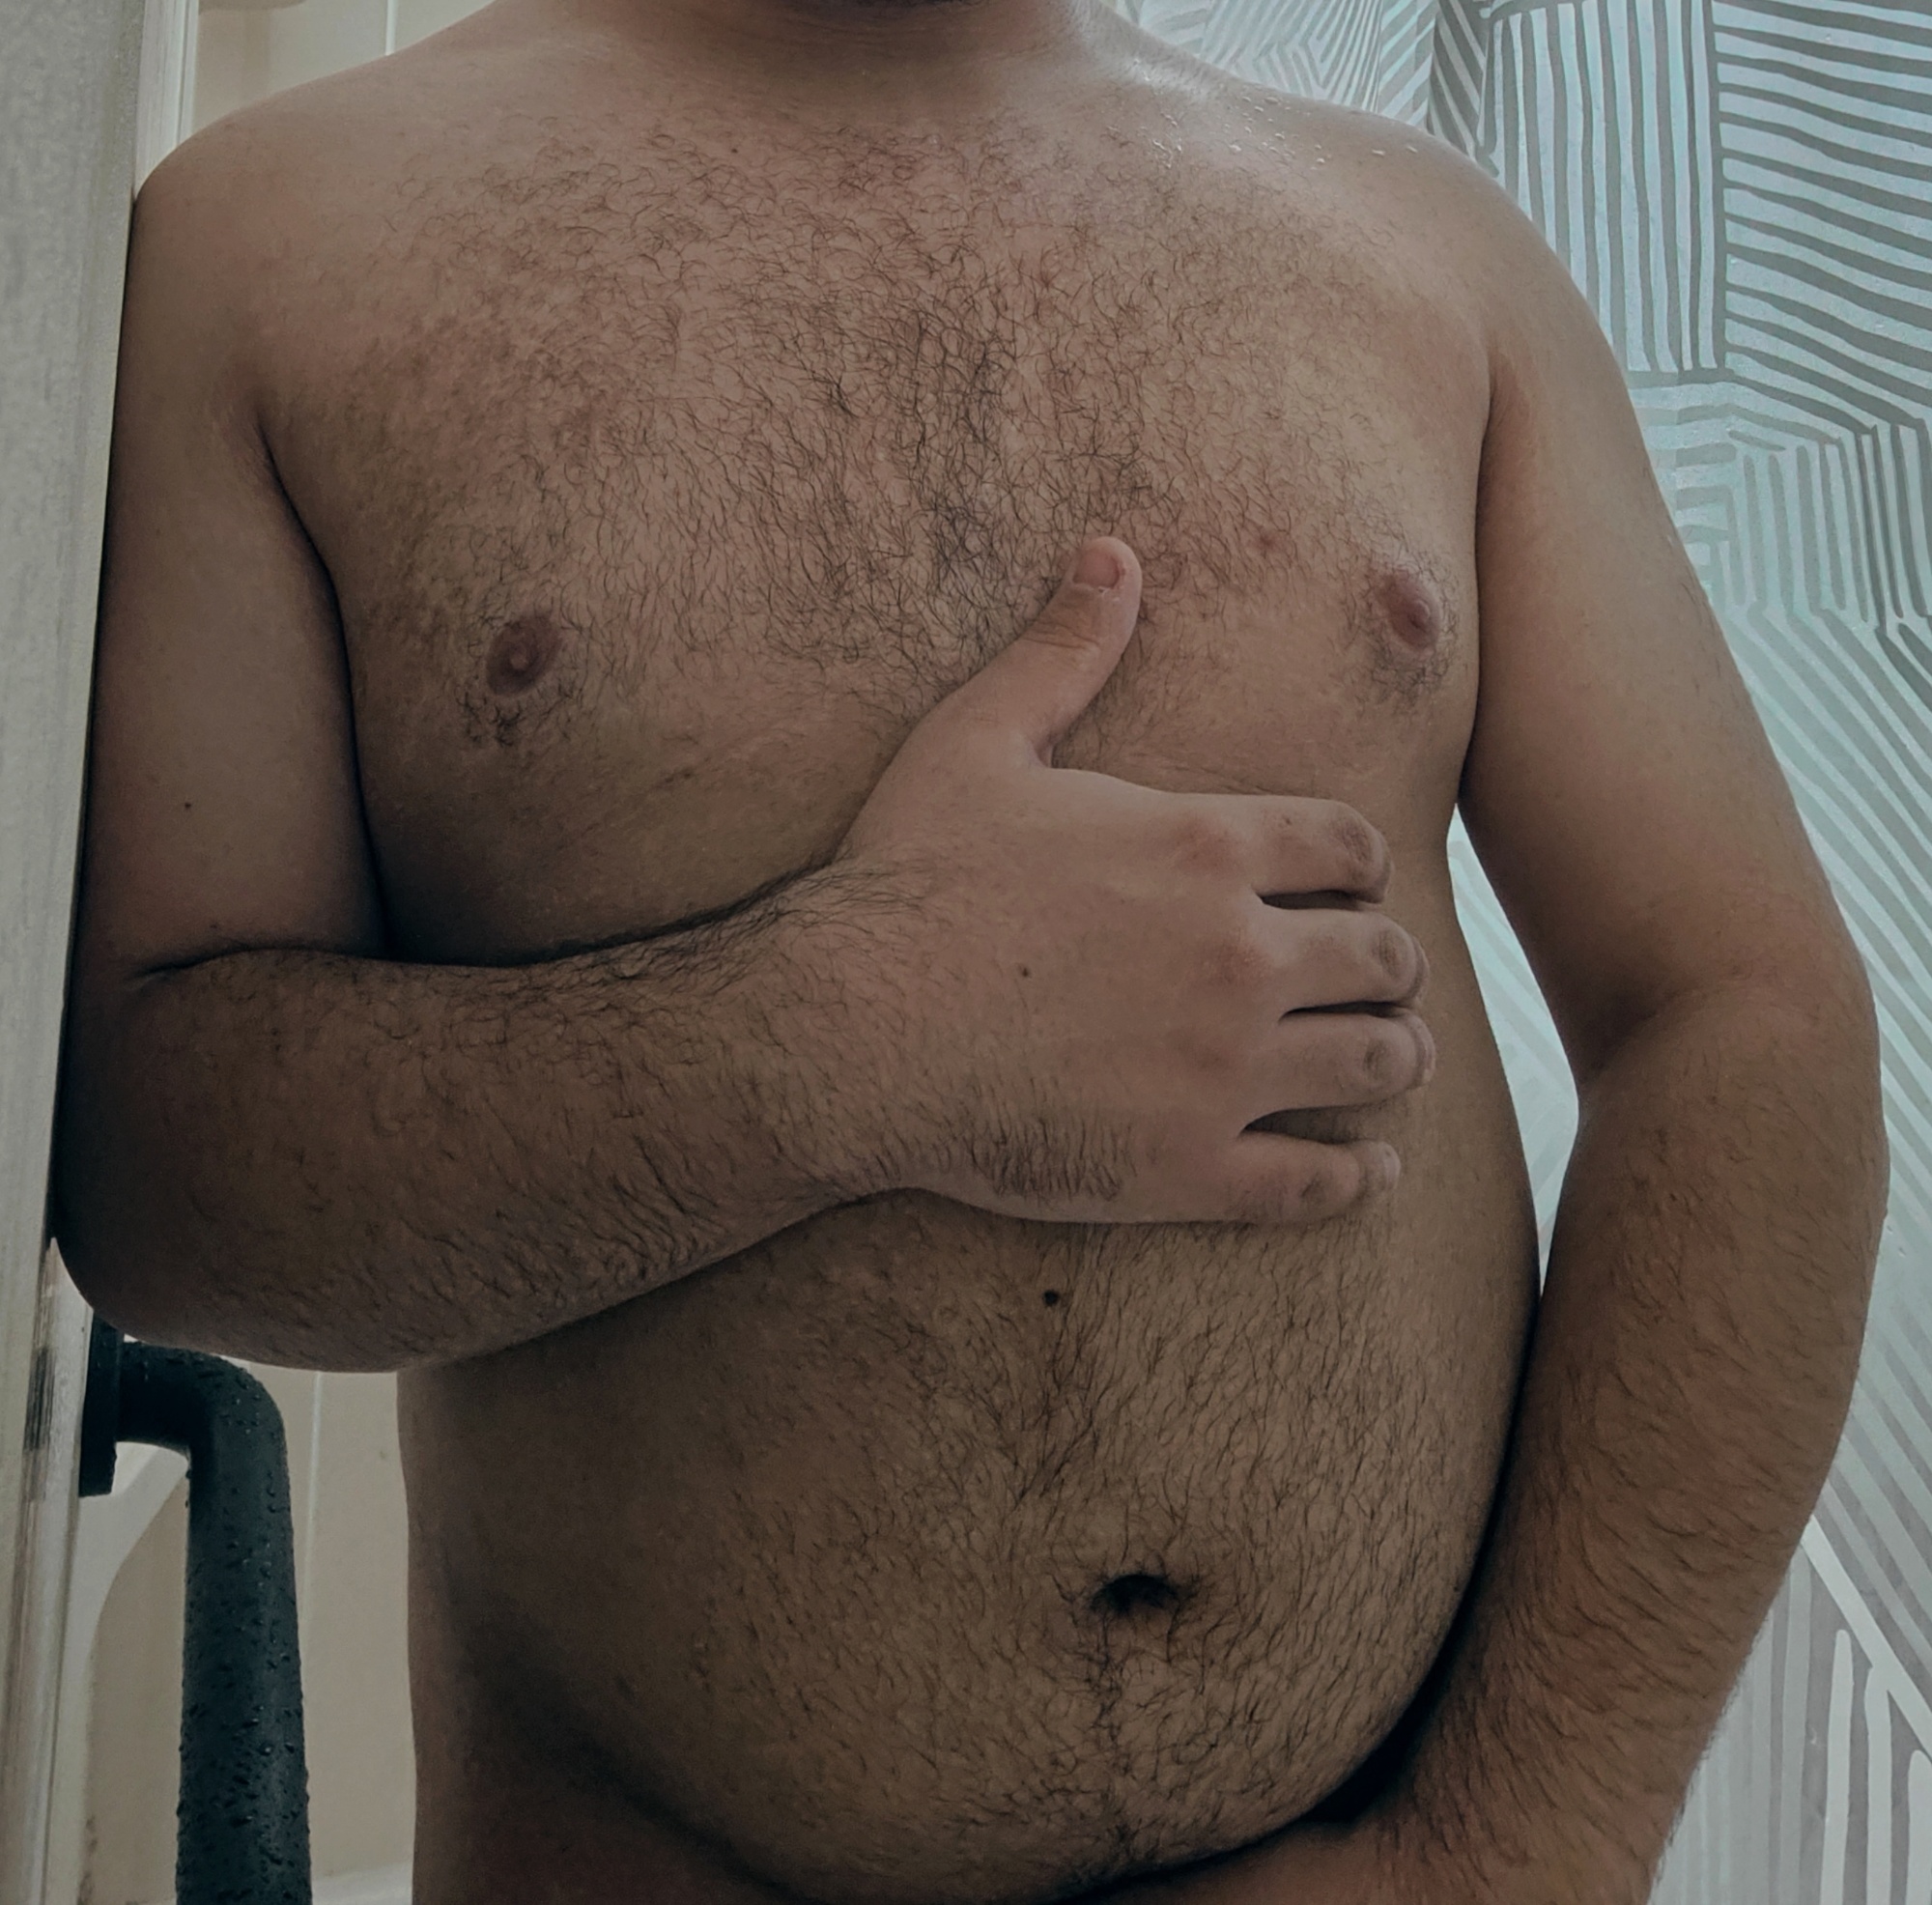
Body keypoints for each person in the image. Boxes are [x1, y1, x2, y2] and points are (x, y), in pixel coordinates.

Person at [53, 0, 1888, 1896]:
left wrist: (1515, 1851)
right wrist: (837, 1039)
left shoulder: (1430, 251)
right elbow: (153, 1159)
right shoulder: (264, 255)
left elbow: (1740, 1018)